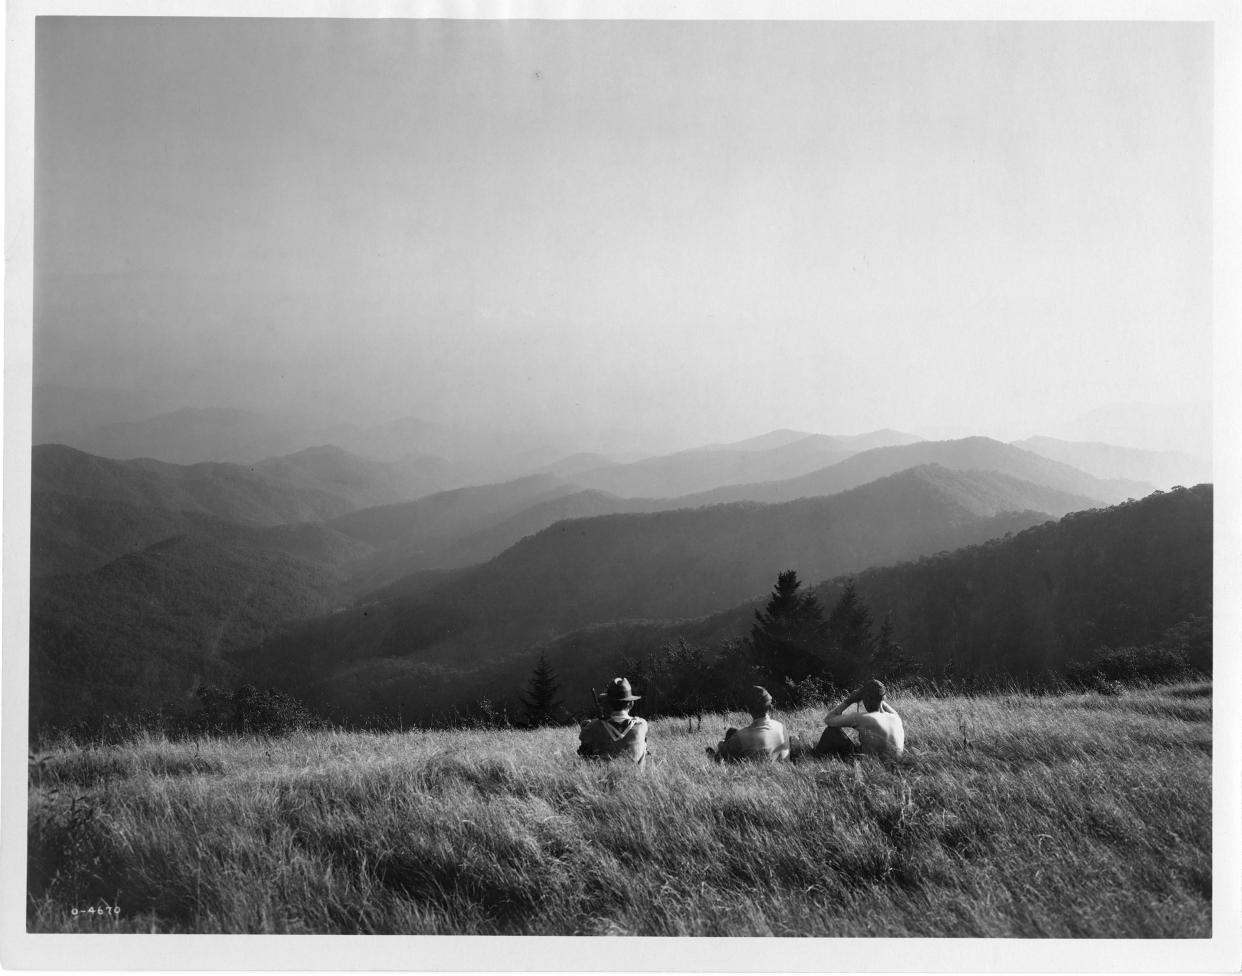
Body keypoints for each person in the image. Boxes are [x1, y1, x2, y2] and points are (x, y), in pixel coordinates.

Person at [814, 678, 905, 760]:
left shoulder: (861, 718)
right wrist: (877, 696)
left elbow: (828, 719)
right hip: (895, 763)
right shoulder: (896, 718)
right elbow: (880, 699)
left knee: (831, 731)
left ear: (865, 699)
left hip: (870, 765)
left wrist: (850, 700)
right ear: (883, 698)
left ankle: (816, 757)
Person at [707, 686, 791, 762]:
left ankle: (712, 757)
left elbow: (723, 749)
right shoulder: (782, 728)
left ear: (748, 709)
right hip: (781, 776)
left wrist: (724, 741)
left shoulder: (740, 737)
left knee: (726, 750)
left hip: (752, 777)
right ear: (770, 707)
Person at [578, 677, 649, 764]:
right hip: (637, 776)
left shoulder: (593, 726)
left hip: (603, 776)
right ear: (631, 704)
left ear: (607, 704)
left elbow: (583, 743)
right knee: (644, 747)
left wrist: (586, 726)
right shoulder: (642, 724)